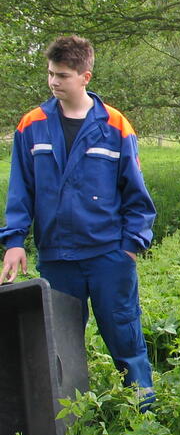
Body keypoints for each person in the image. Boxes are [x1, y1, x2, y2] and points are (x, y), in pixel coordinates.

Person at [1, 36, 157, 408]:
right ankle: (66, 418)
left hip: (108, 255)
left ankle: (143, 409)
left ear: (85, 76)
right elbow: (20, 188)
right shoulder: (32, 124)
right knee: (59, 342)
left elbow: (136, 193)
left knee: (124, 333)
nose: (54, 82)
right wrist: (15, 241)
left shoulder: (115, 125)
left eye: (63, 75)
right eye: (51, 74)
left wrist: (131, 247)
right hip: (57, 256)